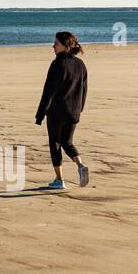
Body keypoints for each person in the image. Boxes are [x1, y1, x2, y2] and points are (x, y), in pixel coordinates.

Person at [34, 31, 90, 190]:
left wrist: (40, 114)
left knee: (56, 144)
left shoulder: (57, 64)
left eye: (56, 43)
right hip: (73, 111)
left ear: (66, 46)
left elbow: (48, 92)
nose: (53, 46)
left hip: (57, 112)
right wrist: (79, 109)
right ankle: (80, 164)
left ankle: (59, 180)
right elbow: (84, 90)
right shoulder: (81, 64)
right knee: (68, 142)